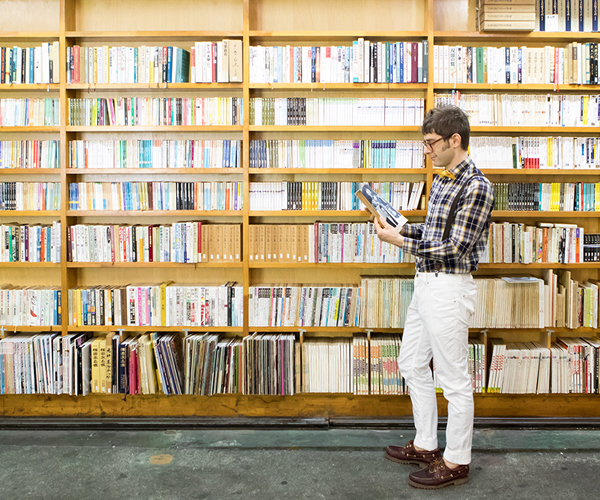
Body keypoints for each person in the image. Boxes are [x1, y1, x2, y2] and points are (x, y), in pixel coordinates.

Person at [373, 105, 494, 489]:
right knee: (410, 362)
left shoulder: (477, 186)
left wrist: (399, 242)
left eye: (431, 143)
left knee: (455, 380)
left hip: (449, 287)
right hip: (425, 283)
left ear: (454, 140)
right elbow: (433, 232)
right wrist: (400, 227)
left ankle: (456, 459)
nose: (427, 151)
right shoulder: (443, 179)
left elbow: (455, 248)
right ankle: (426, 444)